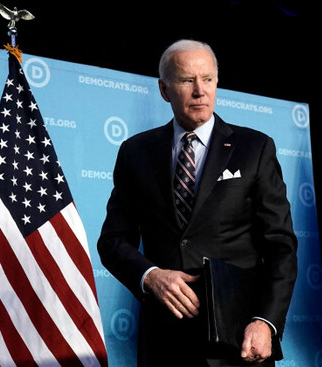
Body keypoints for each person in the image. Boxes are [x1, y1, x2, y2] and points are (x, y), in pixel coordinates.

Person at [97, 39, 298, 367]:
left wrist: (267, 322)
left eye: (207, 79)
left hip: (239, 340)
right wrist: (150, 275)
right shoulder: (136, 153)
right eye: (187, 80)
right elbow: (112, 241)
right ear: (164, 89)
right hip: (164, 344)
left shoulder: (255, 148)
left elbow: (281, 248)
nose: (200, 91)